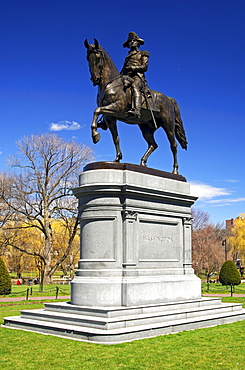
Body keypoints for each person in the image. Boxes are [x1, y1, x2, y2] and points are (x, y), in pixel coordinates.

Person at [121, 32, 150, 118]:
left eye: (134, 40)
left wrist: (132, 68)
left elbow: (145, 67)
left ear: (138, 43)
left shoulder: (143, 53)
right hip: (127, 77)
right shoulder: (127, 57)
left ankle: (136, 110)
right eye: (130, 41)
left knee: (134, 86)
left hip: (137, 77)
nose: (132, 42)